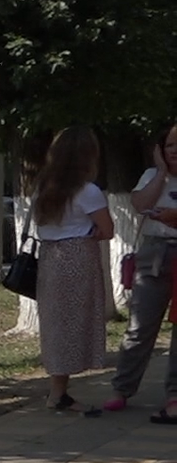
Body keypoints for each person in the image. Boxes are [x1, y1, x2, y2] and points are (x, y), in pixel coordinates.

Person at [31, 127, 115, 413]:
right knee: (75, 321)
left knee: (57, 322)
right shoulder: (88, 191)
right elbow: (108, 230)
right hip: (78, 255)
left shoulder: (42, 186)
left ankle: (59, 391)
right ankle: (58, 394)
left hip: (50, 257)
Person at [104, 123, 177, 421]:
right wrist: (161, 173)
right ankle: (122, 389)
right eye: (171, 146)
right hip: (155, 253)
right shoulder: (151, 176)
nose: (176, 152)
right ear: (160, 150)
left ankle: (174, 395)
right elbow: (139, 204)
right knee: (140, 325)